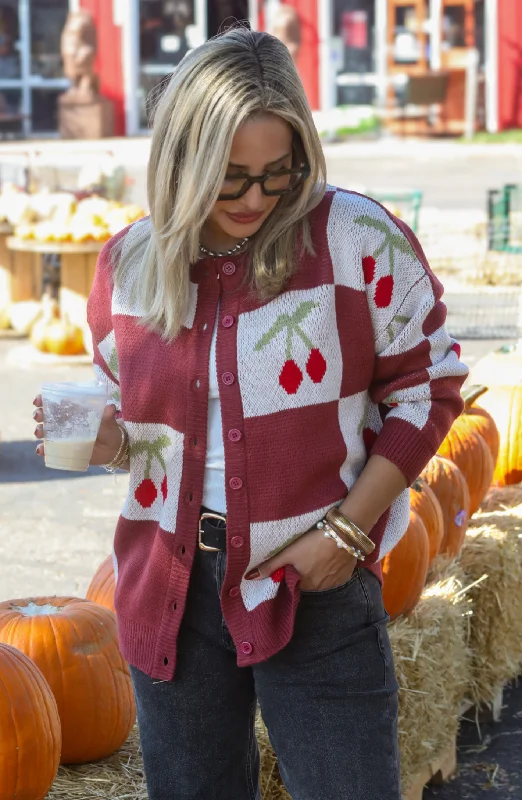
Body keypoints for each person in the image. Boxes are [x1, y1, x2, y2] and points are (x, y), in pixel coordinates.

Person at [33, 26, 468, 800]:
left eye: (280, 173)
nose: (257, 200)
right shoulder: (128, 266)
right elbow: (133, 430)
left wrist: (346, 532)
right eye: (230, 179)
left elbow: (429, 387)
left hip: (318, 585)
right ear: (181, 163)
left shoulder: (354, 240)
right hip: (172, 586)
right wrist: (107, 440)